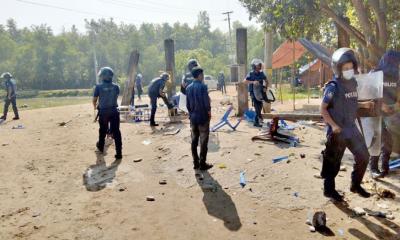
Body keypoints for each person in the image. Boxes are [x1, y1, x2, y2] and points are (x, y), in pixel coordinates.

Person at [320, 48, 371, 201]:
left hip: (350, 127)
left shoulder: (353, 83)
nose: (349, 71)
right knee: (333, 162)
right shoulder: (333, 87)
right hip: (337, 130)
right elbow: (323, 109)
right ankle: (329, 191)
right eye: (345, 68)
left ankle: (355, 184)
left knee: (364, 156)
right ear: (338, 69)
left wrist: (364, 104)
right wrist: (333, 126)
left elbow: (351, 103)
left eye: (351, 67)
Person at [370, 50, 400, 178]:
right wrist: (381, 105)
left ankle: (384, 168)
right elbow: (369, 93)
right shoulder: (376, 74)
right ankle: (373, 168)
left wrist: (393, 106)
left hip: (390, 113)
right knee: (378, 139)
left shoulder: (397, 76)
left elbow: (399, 96)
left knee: (388, 140)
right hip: (375, 112)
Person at [186, 67, 213, 171]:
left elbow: (188, 105)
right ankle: (202, 164)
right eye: (202, 74)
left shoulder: (188, 88)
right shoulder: (203, 87)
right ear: (199, 75)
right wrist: (209, 112)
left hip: (193, 117)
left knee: (194, 140)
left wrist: (191, 114)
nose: (203, 76)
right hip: (203, 117)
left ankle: (195, 163)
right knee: (203, 141)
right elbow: (206, 103)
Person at [93, 67, 122, 159]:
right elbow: (115, 97)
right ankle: (119, 153)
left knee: (102, 130)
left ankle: (101, 147)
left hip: (103, 112)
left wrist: (95, 106)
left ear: (102, 76)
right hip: (114, 111)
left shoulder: (98, 87)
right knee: (116, 132)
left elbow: (94, 100)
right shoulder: (116, 86)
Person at [243, 59, 267, 127]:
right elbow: (244, 81)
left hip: (260, 92)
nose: (258, 68)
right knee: (257, 106)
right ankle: (258, 120)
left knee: (260, 106)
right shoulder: (250, 74)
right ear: (254, 67)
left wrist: (265, 87)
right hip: (253, 92)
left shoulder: (261, 73)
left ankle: (258, 119)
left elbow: (266, 80)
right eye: (257, 66)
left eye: (259, 66)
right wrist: (253, 82)